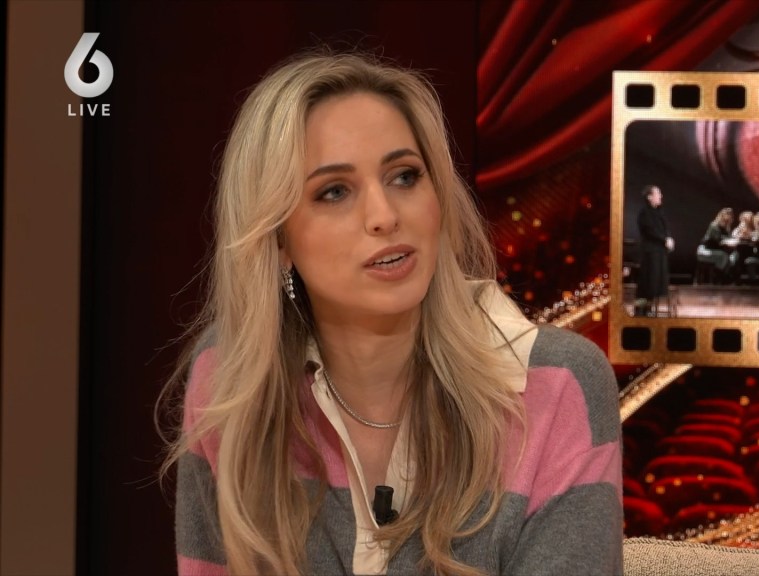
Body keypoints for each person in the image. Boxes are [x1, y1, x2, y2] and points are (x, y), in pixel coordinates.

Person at [161, 52, 623, 576]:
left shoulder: (559, 385)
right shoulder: (230, 378)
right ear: (278, 239)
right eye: (335, 191)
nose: (384, 216)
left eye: (404, 177)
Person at [636, 185, 673, 315]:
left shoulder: (659, 212)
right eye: (658, 194)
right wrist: (664, 239)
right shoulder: (644, 213)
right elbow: (650, 230)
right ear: (649, 197)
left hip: (660, 252)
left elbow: (665, 228)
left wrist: (668, 238)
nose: (660, 196)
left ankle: (649, 308)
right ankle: (641, 310)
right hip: (650, 252)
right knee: (648, 282)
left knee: (655, 283)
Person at [696, 207, 733, 283]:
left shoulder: (727, 228)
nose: (728, 218)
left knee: (729, 257)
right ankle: (718, 278)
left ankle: (721, 278)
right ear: (721, 216)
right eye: (726, 215)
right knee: (723, 256)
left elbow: (728, 238)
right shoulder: (714, 226)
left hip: (716, 251)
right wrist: (727, 241)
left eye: (730, 216)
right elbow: (717, 240)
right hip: (705, 250)